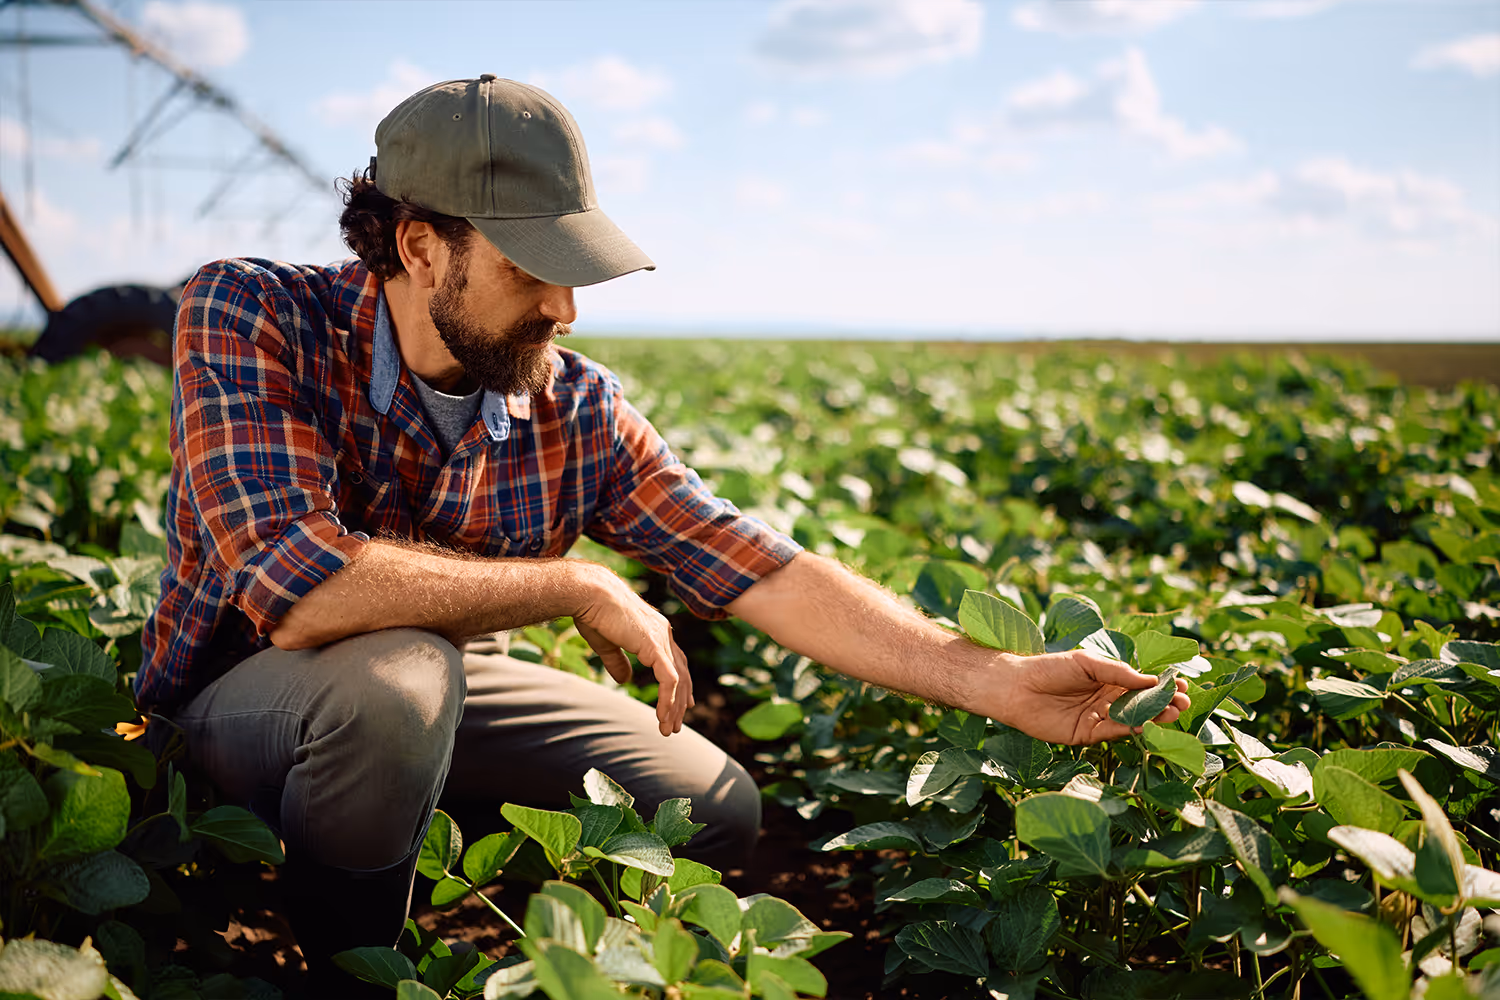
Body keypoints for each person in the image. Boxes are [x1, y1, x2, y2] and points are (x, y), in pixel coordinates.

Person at [138, 75, 1188, 994]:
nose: (566, 306)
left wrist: (989, 677)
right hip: (245, 700)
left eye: (576, 266)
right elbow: (302, 590)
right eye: (530, 268)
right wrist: (575, 585)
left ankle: (400, 827)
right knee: (396, 680)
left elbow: (753, 564)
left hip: (430, 701)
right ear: (421, 245)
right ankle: (351, 966)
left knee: (708, 807)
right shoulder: (253, 313)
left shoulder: (573, 405)